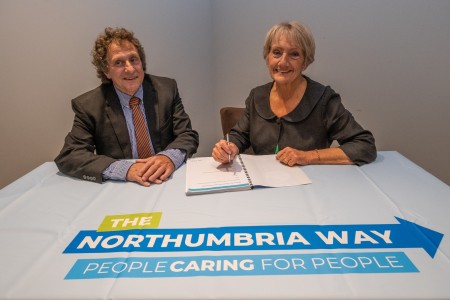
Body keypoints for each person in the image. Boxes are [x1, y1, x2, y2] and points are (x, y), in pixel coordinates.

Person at [212, 21, 376, 166]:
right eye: (276, 52)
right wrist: (230, 146)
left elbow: (364, 146)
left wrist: (307, 156)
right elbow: (239, 135)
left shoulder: (324, 99)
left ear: (305, 61)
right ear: (267, 56)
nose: (283, 62)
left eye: (294, 54)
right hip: (264, 187)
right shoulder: (257, 96)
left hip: (310, 189)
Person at [55, 27, 199, 186]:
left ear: (142, 63)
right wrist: (124, 169)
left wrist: (168, 158)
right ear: (106, 71)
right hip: (122, 185)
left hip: (166, 180)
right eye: (118, 62)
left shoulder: (167, 89)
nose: (130, 69)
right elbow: (70, 155)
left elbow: (187, 135)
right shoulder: (89, 106)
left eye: (133, 59)